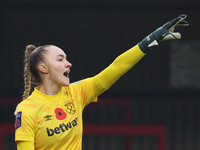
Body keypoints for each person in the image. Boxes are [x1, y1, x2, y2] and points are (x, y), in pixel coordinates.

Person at [14, 14, 188, 150]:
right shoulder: (27, 110)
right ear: (44, 68)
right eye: (60, 59)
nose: (68, 63)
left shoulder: (76, 93)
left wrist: (151, 39)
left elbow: (116, 67)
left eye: (66, 58)